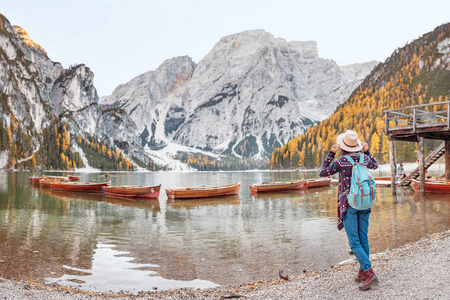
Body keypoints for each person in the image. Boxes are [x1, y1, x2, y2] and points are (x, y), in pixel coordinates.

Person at [319, 130, 379, 291]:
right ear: (357, 146)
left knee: (354, 242)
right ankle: (362, 272)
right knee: (363, 239)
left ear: (343, 147)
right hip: (365, 202)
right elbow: (375, 165)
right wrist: (367, 151)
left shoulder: (341, 161)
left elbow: (323, 172)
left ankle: (369, 272)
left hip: (349, 204)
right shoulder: (364, 158)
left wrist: (331, 154)